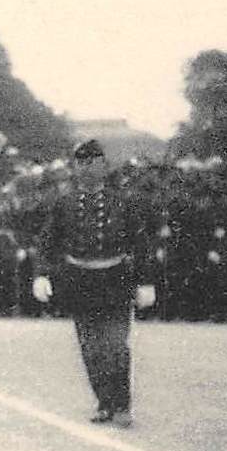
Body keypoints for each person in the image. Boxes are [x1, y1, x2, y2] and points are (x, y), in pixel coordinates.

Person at [32, 139, 155, 427]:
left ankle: (122, 405)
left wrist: (146, 282)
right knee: (91, 347)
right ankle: (104, 402)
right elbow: (47, 243)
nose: (88, 169)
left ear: (104, 166)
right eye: (82, 163)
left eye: (94, 163)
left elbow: (141, 244)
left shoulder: (123, 201)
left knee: (116, 346)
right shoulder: (64, 204)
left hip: (115, 279)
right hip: (80, 281)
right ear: (75, 167)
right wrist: (41, 274)